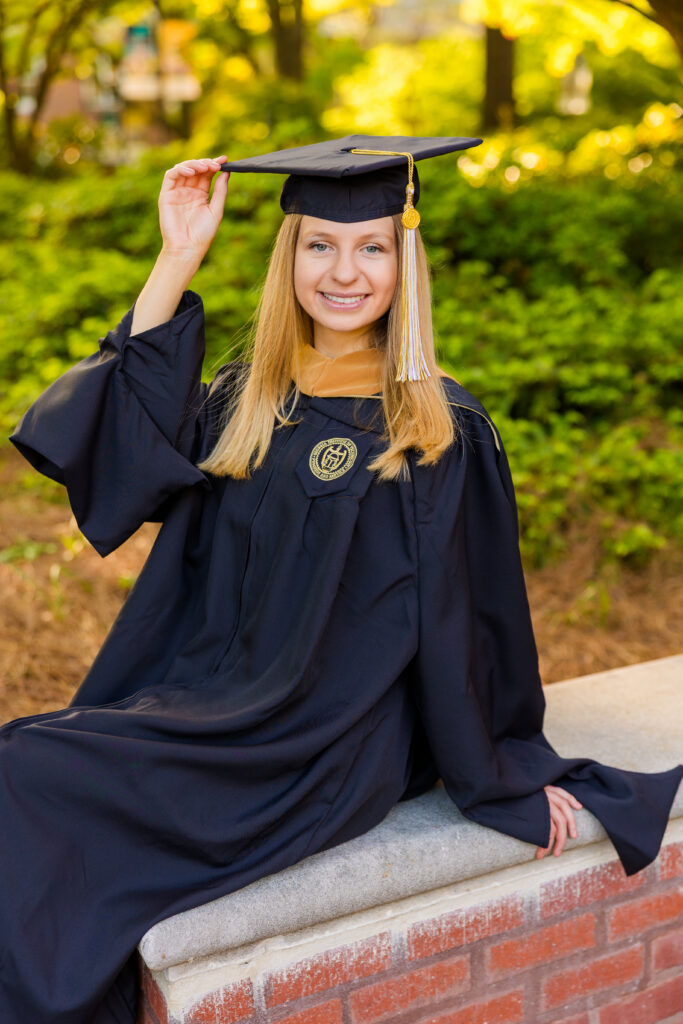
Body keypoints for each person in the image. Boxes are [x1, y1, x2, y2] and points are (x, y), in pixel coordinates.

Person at [3, 136, 682, 1024]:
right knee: (26, 761)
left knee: (28, 775)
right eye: (318, 245)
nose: (344, 273)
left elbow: (463, 620)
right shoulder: (250, 396)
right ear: (290, 258)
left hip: (325, 739)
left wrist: (498, 772)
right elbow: (124, 452)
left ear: (404, 262)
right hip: (213, 702)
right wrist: (176, 258)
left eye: (370, 248)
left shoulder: (436, 427)